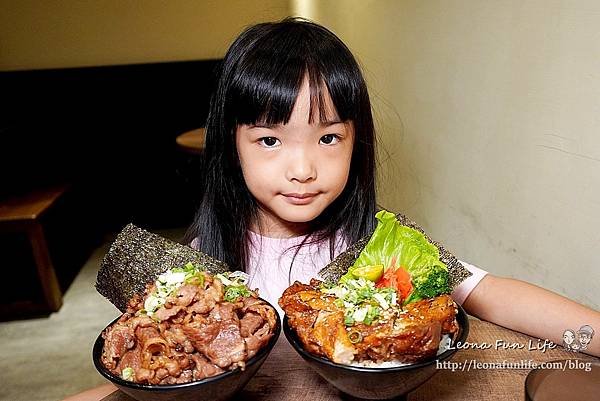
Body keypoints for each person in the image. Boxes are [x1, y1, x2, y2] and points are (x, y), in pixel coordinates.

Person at [64, 17, 600, 401]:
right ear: (231, 146)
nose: (303, 169)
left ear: (356, 141)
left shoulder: (378, 247)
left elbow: (490, 294)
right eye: (270, 140)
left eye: (327, 138)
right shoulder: (199, 272)